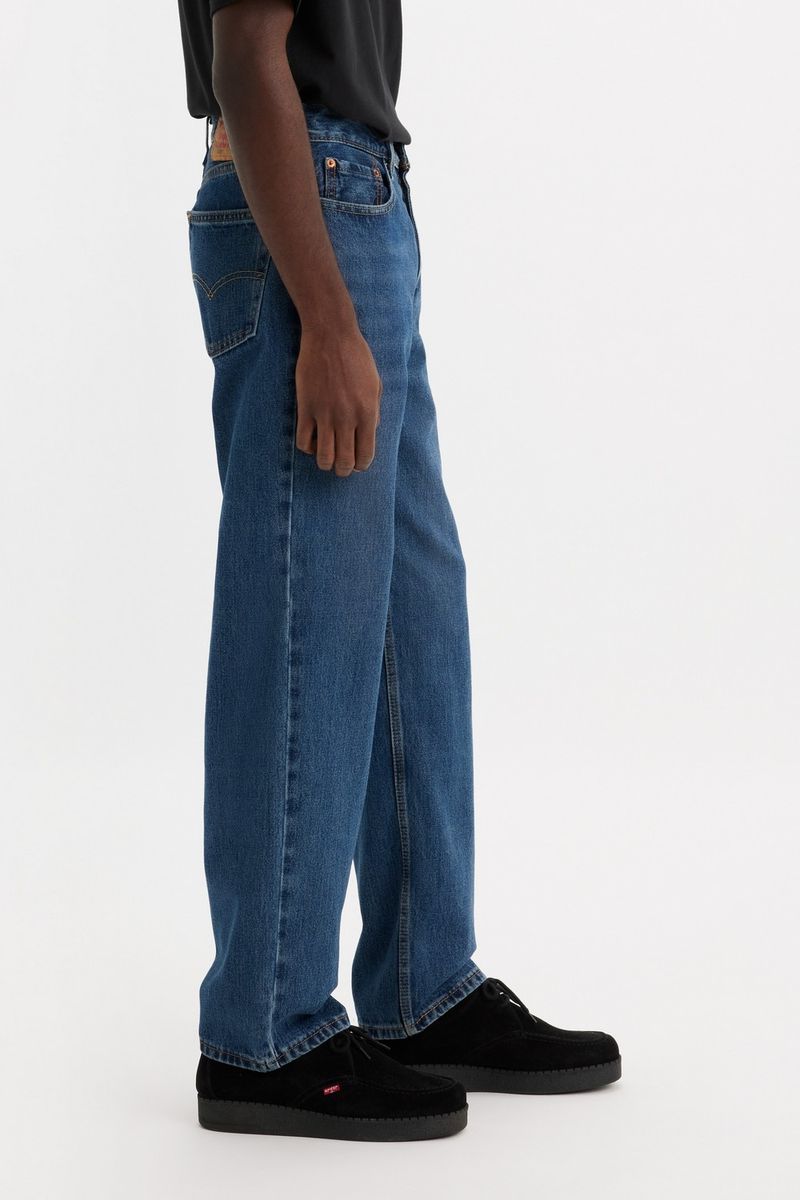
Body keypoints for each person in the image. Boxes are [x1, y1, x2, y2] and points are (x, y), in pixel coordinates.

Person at [176, 0, 621, 1141]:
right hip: (306, 207)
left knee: (412, 614)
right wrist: (326, 319)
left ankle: (425, 985)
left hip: (362, 198)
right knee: (306, 623)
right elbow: (246, 49)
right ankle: (265, 1026)